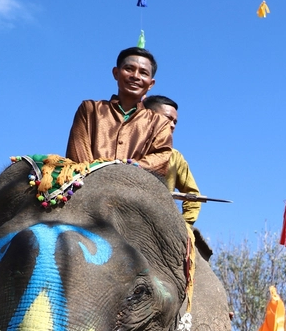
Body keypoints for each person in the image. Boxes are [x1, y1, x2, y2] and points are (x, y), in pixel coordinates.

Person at [66, 47, 173, 176]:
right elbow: (79, 157)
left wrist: (127, 167)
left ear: (151, 84)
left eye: (143, 73)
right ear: (116, 73)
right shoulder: (89, 110)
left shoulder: (159, 123)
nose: (135, 76)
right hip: (90, 187)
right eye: (129, 69)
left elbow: (161, 158)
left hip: (138, 190)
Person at [143, 95, 202, 224]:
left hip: (160, 225)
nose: (172, 125)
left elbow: (193, 197)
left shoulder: (175, 157)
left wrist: (184, 226)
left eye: (175, 122)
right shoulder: (124, 148)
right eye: (168, 118)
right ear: (146, 116)